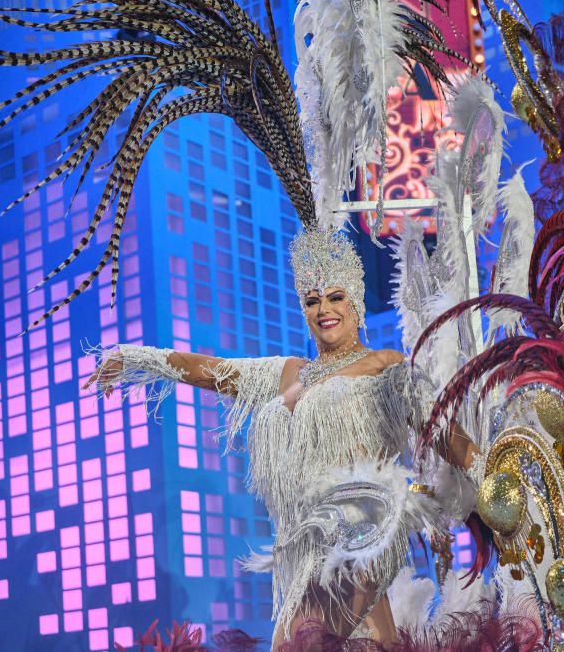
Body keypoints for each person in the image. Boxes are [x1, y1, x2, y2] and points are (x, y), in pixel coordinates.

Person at [85, 227, 478, 647]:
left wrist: (485, 473)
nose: (324, 308)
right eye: (312, 300)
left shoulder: (386, 365)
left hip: (361, 535)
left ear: (356, 302)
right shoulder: (289, 373)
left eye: (336, 296)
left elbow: (444, 433)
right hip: (308, 556)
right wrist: (137, 357)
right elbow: (213, 370)